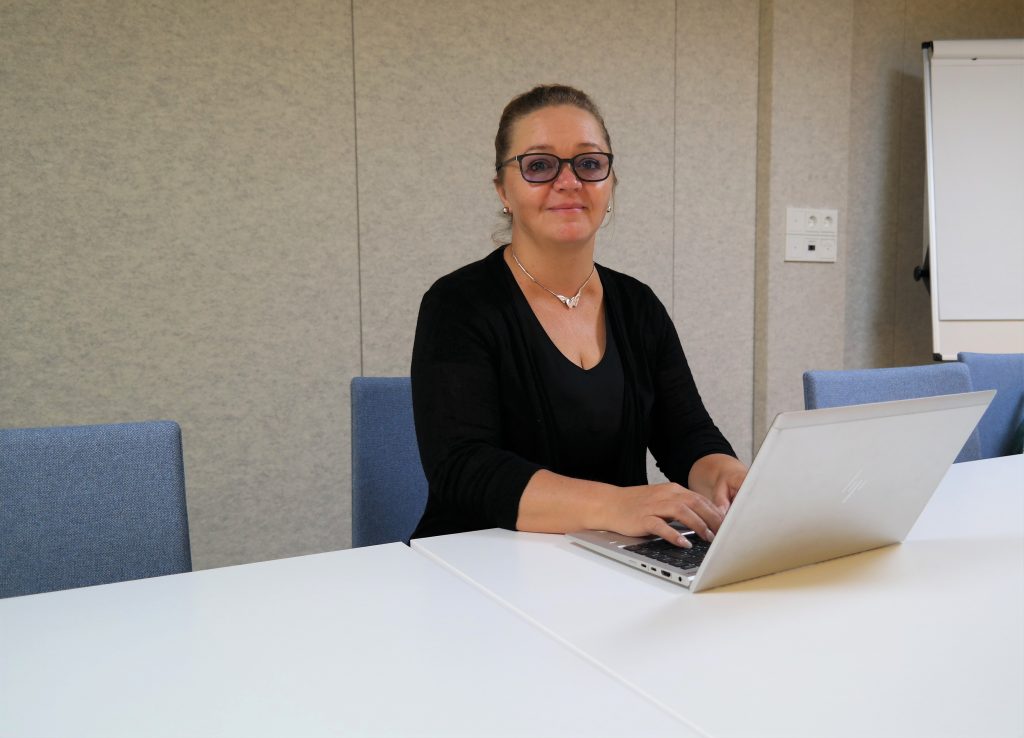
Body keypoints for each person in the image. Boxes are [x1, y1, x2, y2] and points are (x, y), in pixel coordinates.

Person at [410, 84, 747, 548]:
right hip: (478, 564)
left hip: (612, 562)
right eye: (539, 165)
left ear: (610, 184)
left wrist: (727, 476)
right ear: (503, 190)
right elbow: (464, 468)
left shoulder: (638, 305)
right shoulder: (458, 303)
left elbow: (687, 435)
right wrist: (615, 505)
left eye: (588, 164)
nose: (569, 181)